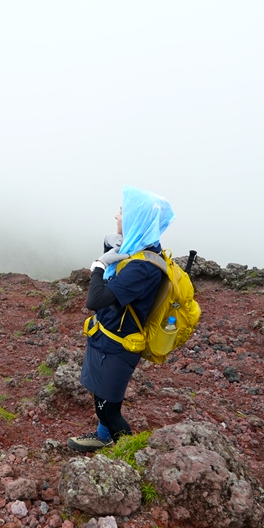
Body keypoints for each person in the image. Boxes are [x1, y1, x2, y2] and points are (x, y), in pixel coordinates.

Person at [67, 187, 174, 452]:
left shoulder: (142, 267)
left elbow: (95, 300)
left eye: (123, 212)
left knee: (108, 409)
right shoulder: (139, 249)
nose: (116, 215)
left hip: (118, 346)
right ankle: (103, 437)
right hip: (107, 337)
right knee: (101, 399)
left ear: (136, 219)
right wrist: (110, 243)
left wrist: (99, 265)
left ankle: (130, 455)